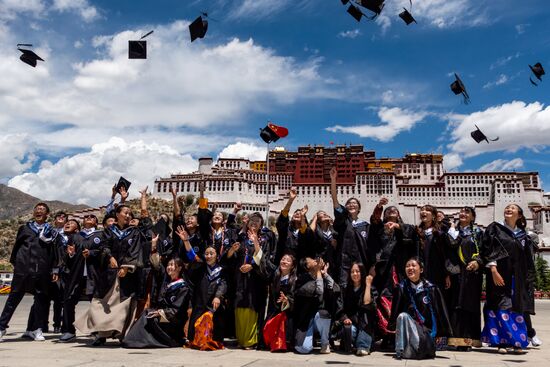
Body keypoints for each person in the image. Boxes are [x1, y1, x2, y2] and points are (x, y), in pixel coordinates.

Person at [75, 204, 145, 346]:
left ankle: (122, 336)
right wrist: (109, 256)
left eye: (129, 213)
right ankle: (100, 335)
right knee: (101, 305)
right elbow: (104, 246)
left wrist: (126, 267)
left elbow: (135, 251)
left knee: (123, 308)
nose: (128, 215)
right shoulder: (109, 231)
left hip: (127, 276)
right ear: (117, 214)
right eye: (125, 212)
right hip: (108, 274)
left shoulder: (134, 232)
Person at [0, 203, 61, 342]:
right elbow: (16, 248)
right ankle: (1, 327)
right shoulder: (25, 228)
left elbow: (54, 252)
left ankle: (36, 329)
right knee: (13, 299)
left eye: (42, 210)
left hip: (42, 271)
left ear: (47, 214)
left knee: (40, 300)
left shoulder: (51, 232)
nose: (39, 211)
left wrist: (54, 269)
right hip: (23, 269)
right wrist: (18, 264)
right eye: (37, 209)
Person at [480, 204, 536, 354]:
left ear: (519, 215)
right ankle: (501, 342)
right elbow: (488, 248)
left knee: (516, 308)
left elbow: (527, 259)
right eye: (507, 208)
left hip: (517, 278)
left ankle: (517, 342)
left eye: (512, 208)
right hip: (498, 275)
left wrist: (528, 280)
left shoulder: (523, 235)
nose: (508, 209)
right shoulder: (495, 228)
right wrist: (493, 269)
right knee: (499, 306)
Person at [221, 213, 274, 349]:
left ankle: (251, 340)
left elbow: (265, 258)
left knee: (252, 306)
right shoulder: (242, 238)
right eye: (252, 220)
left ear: (261, 224)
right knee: (239, 306)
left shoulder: (265, 239)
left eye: (257, 221)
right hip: (240, 278)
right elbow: (231, 257)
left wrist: (252, 265)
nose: (254, 223)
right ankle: (241, 339)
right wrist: (232, 250)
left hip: (256, 279)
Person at [388, 257, 452, 360]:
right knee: (402, 316)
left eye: (413, 265)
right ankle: (401, 350)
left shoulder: (431, 288)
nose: (410, 268)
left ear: (421, 270)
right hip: (409, 330)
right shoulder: (401, 288)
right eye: (407, 266)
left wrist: (442, 333)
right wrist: (392, 327)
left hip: (427, 332)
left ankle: (417, 349)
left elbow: (441, 312)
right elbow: (395, 312)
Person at [176, 226, 227, 348]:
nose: (208, 256)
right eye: (207, 253)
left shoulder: (222, 270)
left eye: (211, 253)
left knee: (215, 331)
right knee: (195, 332)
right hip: (200, 302)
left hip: (213, 303)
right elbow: (192, 255)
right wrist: (186, 241)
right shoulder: (201, 267)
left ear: (216, 256)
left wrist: (218, 296)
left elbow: (223, 284)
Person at [123, 258, 191, 348]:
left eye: (172, 265)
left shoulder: (183, 288)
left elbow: (176, 310)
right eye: (168, 265)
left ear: (179, 268)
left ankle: (138, 341)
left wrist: (160, 313)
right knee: (147, 313)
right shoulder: (167, 283)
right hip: (165, 315)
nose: (169, 267)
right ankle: (133, 340)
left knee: (150, 318)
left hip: (174, 320)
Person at [330, 167, 376, 289]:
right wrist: (333, 179)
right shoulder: (343, 222)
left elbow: (371, 247)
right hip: (344, 263)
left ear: (359, 208)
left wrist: (373, 265)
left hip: (362, 262)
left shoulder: (365, 226)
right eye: (349, 203)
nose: (352, 205)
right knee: (344, 288)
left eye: (354, 203)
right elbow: (335, 201)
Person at [446, 207, 484, 350]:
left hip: (471, 274)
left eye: (467, 212)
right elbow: (447, 252)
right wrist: (447, 272)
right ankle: (455, 339)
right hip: (455, 273)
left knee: (469, 305)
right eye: (461, 212)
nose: (463, 214)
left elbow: (484, 250)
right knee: (455, 305)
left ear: (473, 218)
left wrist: (477, 262)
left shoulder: (478, 233)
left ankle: (470, 339)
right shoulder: (452, 232)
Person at [336, 263, 376, 356]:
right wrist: (345, 318)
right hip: (351, 323)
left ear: (362, 273)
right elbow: (340, 308)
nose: (355, 274)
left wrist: (368, 285)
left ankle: (362, 346)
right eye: (352, 272)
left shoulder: (369, 288)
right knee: (350, 330)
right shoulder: (345, 289)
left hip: (365, 324)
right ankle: (354, 345)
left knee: (366, 312)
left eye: (357, 271)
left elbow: (367, 303)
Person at [261, 252, 297, 352]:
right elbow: (264, 263)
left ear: (292, 266)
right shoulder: (275, 276)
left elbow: (295, 298)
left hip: (287, 313)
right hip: (274, 309)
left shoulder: (294, 280)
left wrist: (287, 300)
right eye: (283, 259)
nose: (284, 262)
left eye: (288, 261)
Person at [293, 257, 327, 354]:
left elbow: (334, 290)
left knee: (324, 314)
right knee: (303, 348)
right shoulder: (303, 279)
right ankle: (311, 339)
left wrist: (325, 274)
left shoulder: (324, 275)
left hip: (320, 317)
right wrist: (318, 272)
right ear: (307, 266)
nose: (316, 260)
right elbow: (319, 291)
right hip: (306, 319)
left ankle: (325, 343)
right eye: (312, 260)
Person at [275, 188, 316, 263]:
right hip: (283, 264)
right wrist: (290, 200)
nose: (297, 213)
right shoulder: (286, 230)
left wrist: (303, 216)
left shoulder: (307, 232)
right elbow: (283, 218)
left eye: (300, 213)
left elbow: (304, 233)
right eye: (295, 213)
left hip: (300, 267)